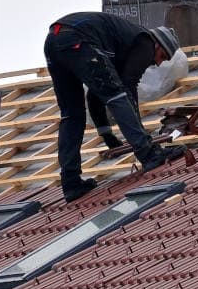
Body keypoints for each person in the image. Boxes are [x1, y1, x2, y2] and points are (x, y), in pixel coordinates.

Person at [44, 11, 187, 202]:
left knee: (72, 115)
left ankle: (71, 183)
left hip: (54, 42)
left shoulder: (119, 48)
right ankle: (149, 155)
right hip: (77, 38)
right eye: (162, 56)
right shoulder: (145, 42)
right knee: (117, 94)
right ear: (158, 45)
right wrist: (144, 141)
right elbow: (127, 87)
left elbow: (94, 94)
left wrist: (106, 133)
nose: (158, 63)